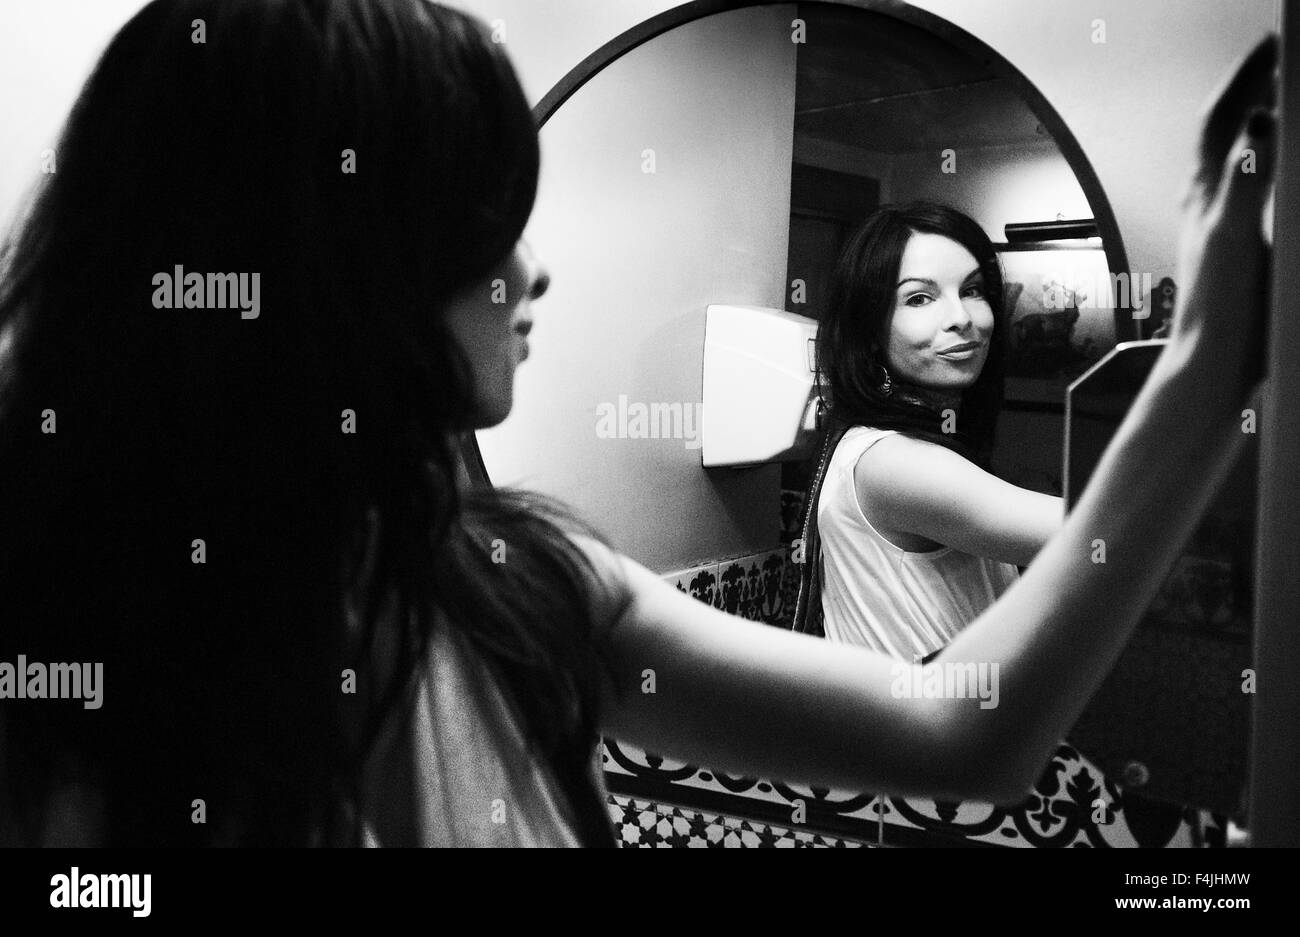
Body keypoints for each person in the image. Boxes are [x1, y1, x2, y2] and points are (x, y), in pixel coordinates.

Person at [0, 0, 1276, 847]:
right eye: (485, 223)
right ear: (325, 255)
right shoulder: (70, 664)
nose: (537, 269)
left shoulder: (518, 583)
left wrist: (1207, 368)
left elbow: (965, 730)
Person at [792, 201, 1063, 659]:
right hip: (911, 729)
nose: (962, 317)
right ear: (870, 329)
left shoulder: (899, 442)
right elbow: (1107, 535)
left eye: (974, 290)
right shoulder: (893, 463)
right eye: (920, 297)